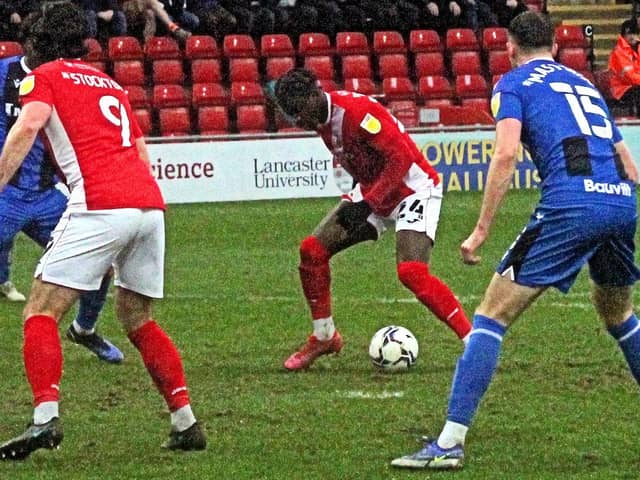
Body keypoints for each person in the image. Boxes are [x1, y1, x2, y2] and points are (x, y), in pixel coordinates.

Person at [391, 11, 640, 470]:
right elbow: (627, 161)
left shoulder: (512, 84)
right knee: (618, 312)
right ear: (556, 46)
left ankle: (449, 442)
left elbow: (505, 153)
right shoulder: (585, 84)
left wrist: (482, 229)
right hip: (621, 203)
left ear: (509, 47)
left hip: (570, 204)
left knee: (490, 315)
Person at [0, 1, 205, 460]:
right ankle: (185, 422)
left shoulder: (43, 78)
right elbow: (140, 149)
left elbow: (28, 126)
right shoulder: (109, 83)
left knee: (40, 311)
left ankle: (44, 420)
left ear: (39, 41)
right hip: (148, 206)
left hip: (98, 204)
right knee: (138, 318)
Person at [273, 68, 472, 371]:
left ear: (314, 95)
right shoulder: (320, 119)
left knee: (411, 272)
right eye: (293, 115)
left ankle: (474, 342)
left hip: (413, 189)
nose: (299, 121)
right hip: (373, 193)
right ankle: (324, 336)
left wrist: (368, 203)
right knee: (311, 252)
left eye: (300, 112)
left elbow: (401, 159)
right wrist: (366, 199)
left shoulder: (356, 112)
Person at [0, 23, 123, 364]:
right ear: (28, 42)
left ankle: (85, 329)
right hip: (5, 195)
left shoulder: (62, 80)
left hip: (45, 197)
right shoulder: (4, 73)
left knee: (102, 265)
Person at [608, 18, 640, 116]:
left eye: (634, 33)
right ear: (624, 35)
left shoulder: (637, 48)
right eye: (629, 34)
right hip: (621, 89)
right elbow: (629, 77)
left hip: (635, 84)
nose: (632, 37)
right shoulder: (619, 52)